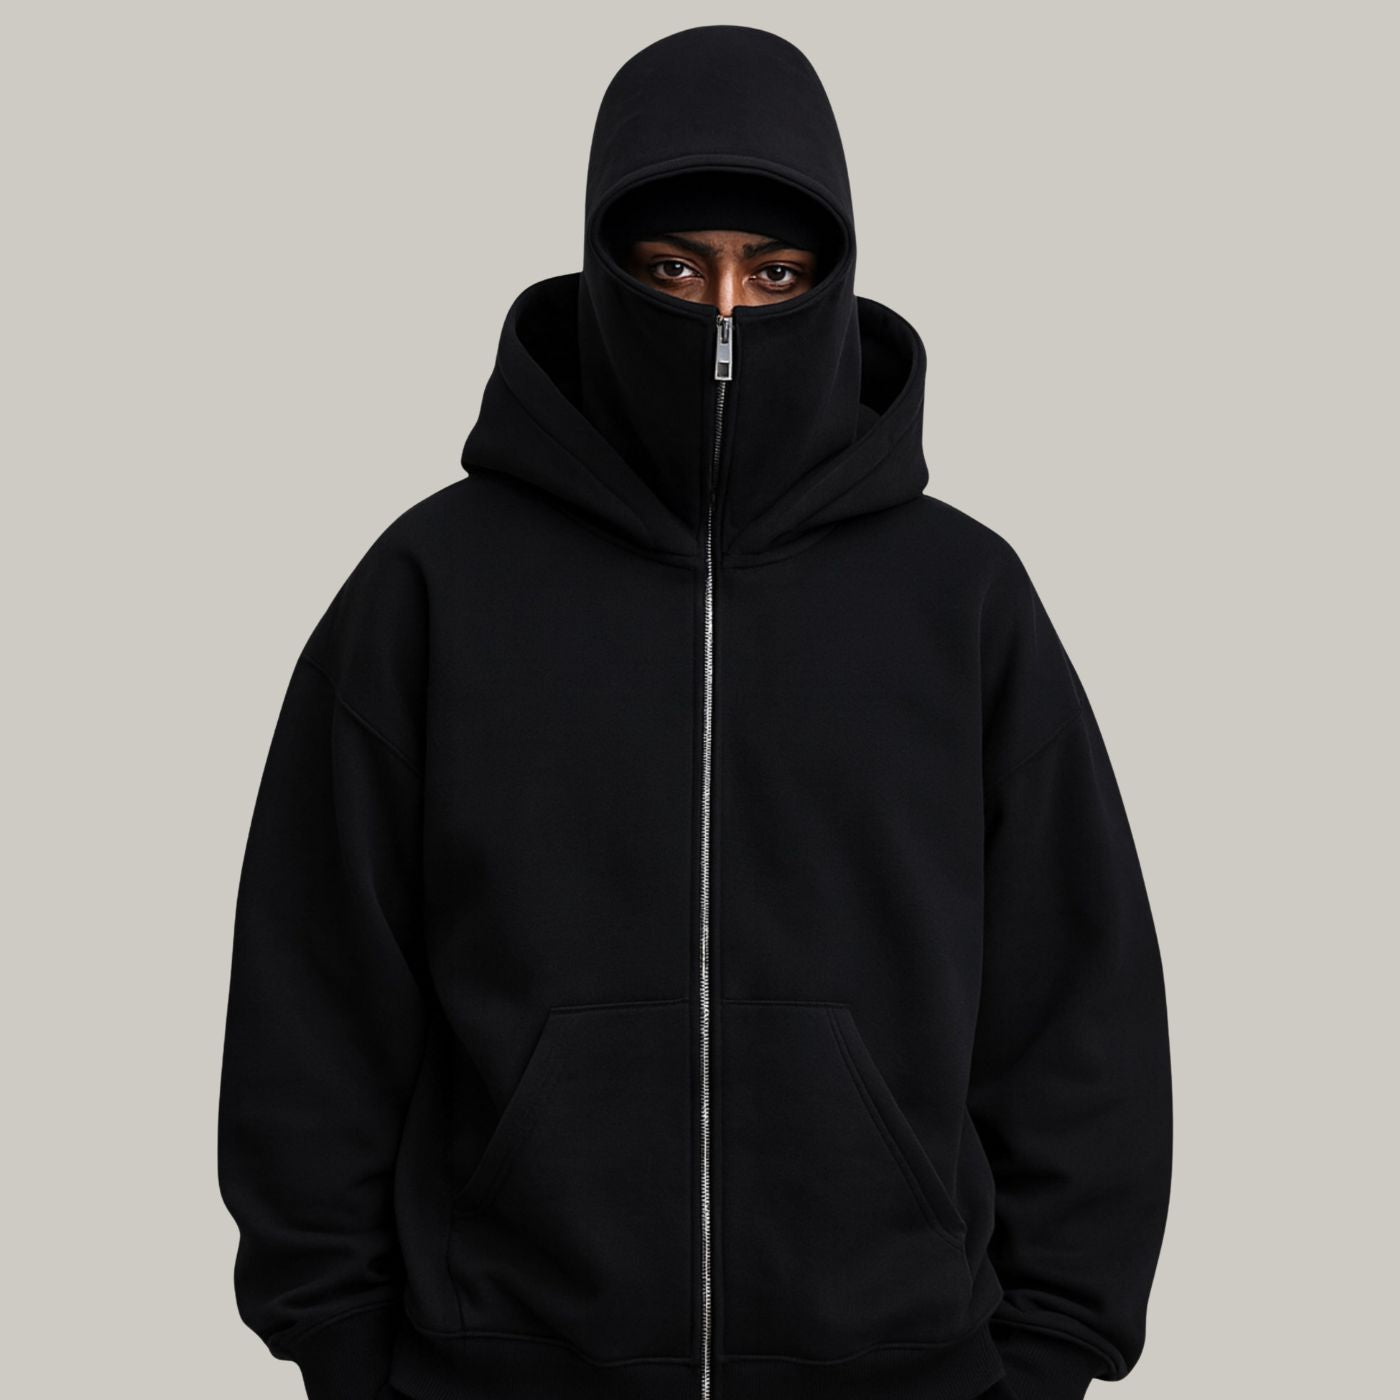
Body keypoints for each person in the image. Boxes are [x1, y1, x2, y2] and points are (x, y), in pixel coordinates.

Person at [217, 25, 1172, 1400]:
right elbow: (313, 991)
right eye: (674, 267)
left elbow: (1076, 1000)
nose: (723, 312)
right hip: (500, 1372)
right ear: (604, 270)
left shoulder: (958, 596)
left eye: (773, 271)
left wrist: (1053, 1348)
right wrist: (342, 1342)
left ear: (833, 279)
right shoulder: (435, 586)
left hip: (902, 1369)